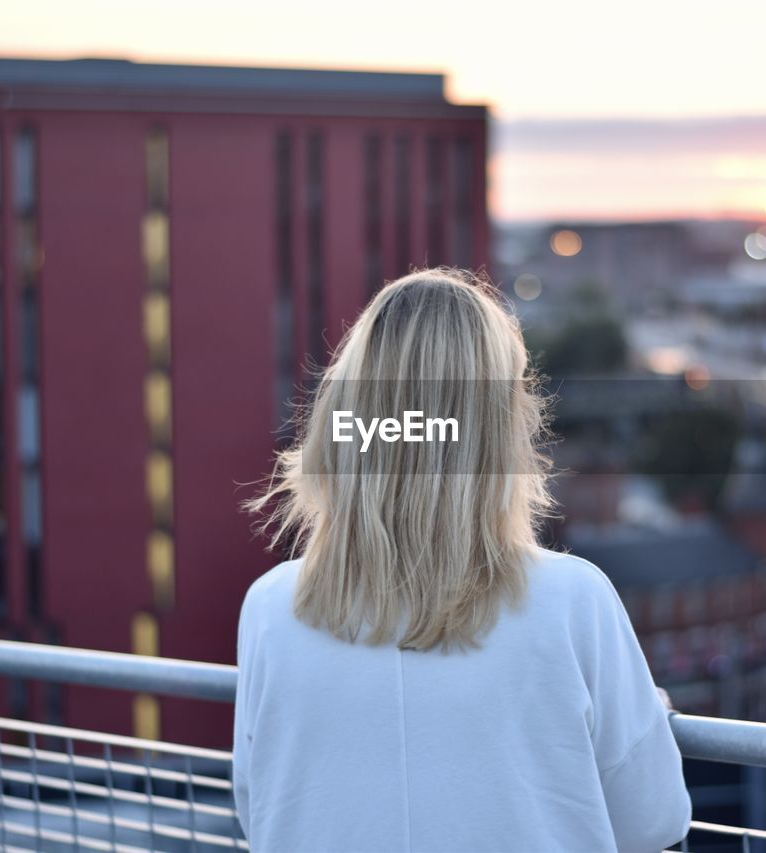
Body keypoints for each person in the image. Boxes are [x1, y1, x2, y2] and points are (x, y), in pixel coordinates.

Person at [234, 268, 691, 852]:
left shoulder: (272, 607)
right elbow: (653, 821)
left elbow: (259, 808)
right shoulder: (575, 601)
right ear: (497, 428)